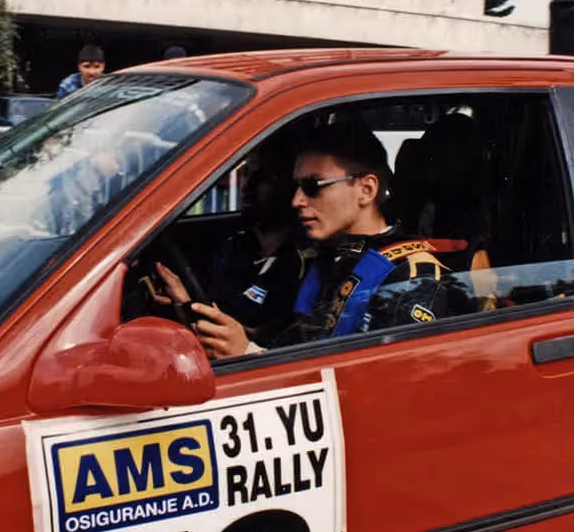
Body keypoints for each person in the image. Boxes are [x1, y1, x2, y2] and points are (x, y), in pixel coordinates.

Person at [189, 120, 468, 359]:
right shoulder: (318, 257)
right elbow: (280, 336)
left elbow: (381, 385)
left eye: (312, 187)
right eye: (297, 186)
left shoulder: (410, 274)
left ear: (366, 190)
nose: (297, 200)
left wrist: (249, 355)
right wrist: (190, 307)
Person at [152, 141, 309, 345]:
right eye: (246, 173)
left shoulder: (301, 263)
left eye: (263, 177)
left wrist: (186, 305)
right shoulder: (235, 246)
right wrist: (180, 304)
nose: (248, 184)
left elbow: (261, 339)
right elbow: (218, 309)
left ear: (288, 186)